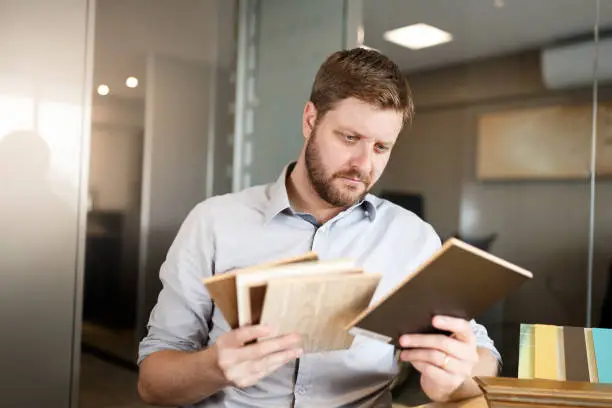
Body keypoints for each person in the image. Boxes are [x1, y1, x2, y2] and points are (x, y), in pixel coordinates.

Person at [137, 48, 501, 407]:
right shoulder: (214, 223)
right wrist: (213, 366)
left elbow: (483, 353)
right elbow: (152, 385)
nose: (363, 164)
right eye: (350, 138)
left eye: (381, 147)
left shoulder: (412, 238)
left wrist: (458, 379)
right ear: (310, 120)